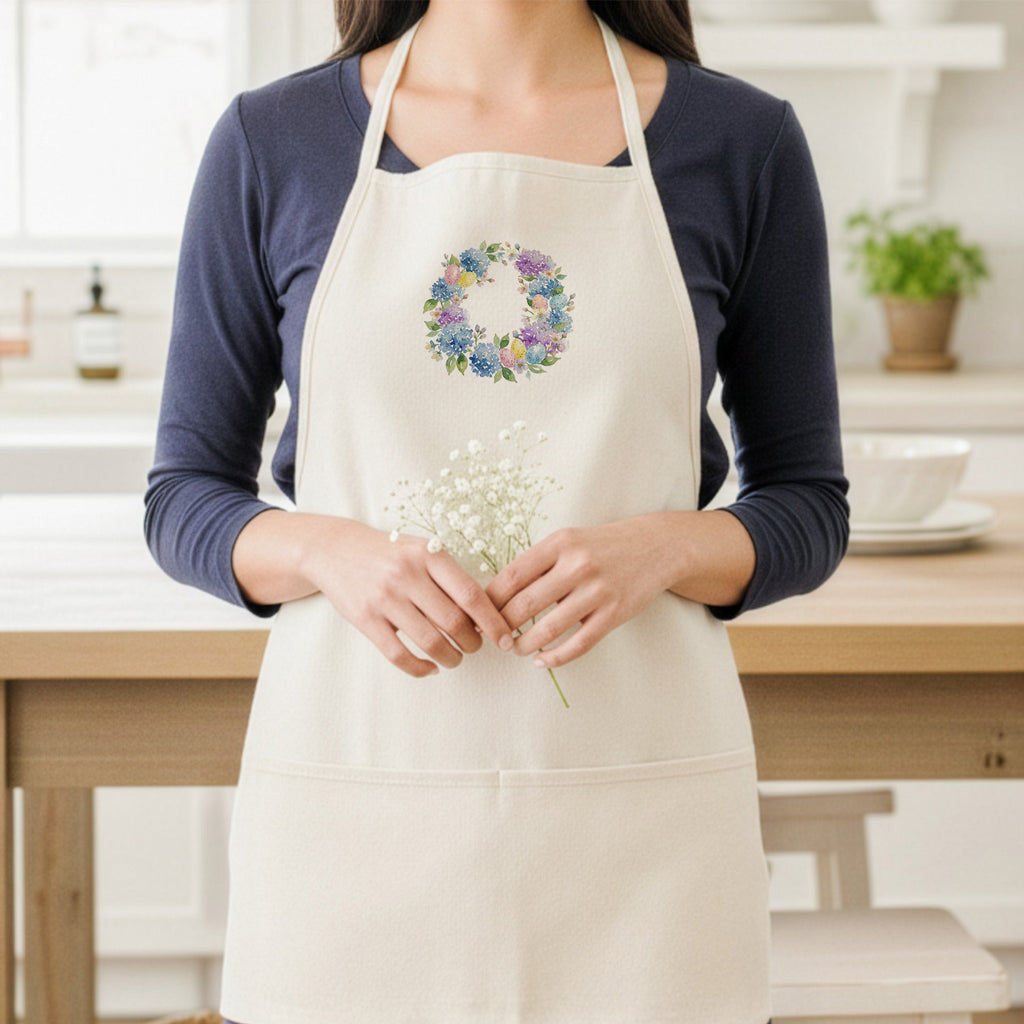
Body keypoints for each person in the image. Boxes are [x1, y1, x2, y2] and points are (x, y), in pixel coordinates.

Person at [145, 0, 849, 1021]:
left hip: (638, 817)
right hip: (356, 802)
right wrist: (329, 552)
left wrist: (666, 546)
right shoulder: (273, 141)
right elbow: (184, 496)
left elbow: (806, 502)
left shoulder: (739, 142)